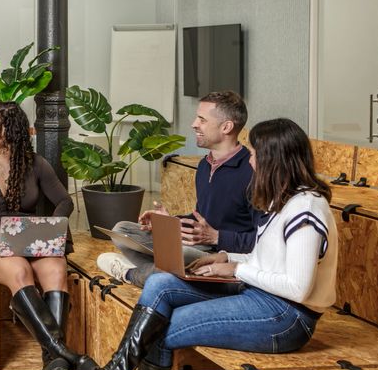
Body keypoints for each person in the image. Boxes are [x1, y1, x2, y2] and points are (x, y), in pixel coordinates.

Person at [49, 118, 337, 370]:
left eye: (255, 153)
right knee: (160, 285)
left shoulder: (306, 209)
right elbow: (270, 261)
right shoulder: (283, 201)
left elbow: (298, 288)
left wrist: (236, 271)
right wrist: (226, 258)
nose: (250, 159)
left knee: (158, 328)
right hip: (260, 296)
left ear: (274, 160)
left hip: (287, 317)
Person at [0, 102, 98, 370]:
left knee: (57, 271)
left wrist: (53, 228)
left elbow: (64, 202)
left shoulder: (35, 163)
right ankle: (67, 356)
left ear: (12, 132)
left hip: (32, 235)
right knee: (20, 272)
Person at [97, 90, 258, 288]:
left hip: (223, 256)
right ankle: (165, 273)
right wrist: (172, 222)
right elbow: (202, 219)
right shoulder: (205, 165)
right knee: (122, 230)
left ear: (226, 127)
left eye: (202, 119)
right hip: (199, 246)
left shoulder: (251, 172)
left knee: (180, 256)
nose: (194, 124)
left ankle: (130, 273)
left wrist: (217, 236)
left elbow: (264, 240)